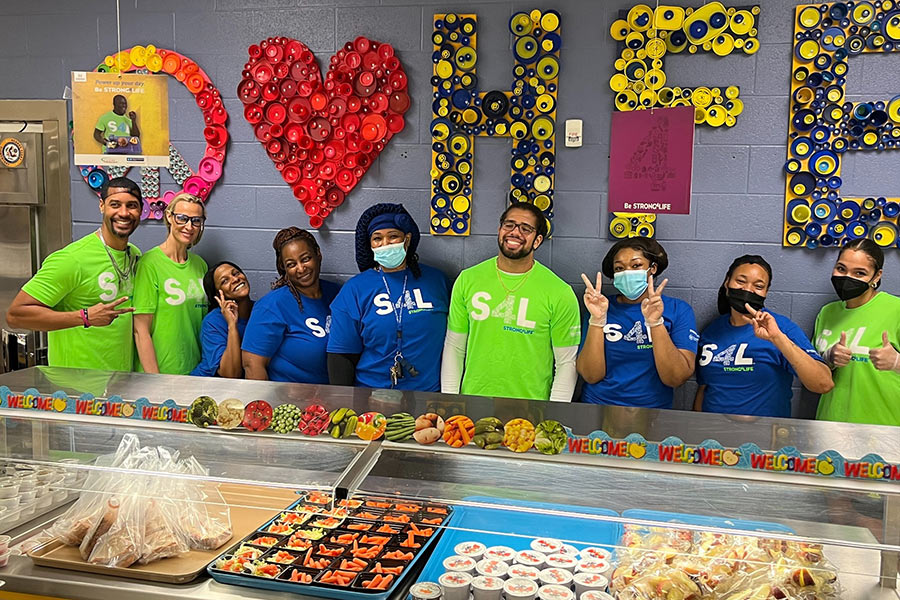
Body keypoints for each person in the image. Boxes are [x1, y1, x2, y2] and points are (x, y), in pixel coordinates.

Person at [441, 202, 580, 401]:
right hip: (473, 403)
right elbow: (454, 347)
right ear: (500, 230)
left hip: (532, 407)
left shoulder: (560, 292)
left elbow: (566, 363)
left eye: (526, 229)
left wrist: (554, 413)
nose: (515, 232)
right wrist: (451, 401)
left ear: (537, 240)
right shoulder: (467, 279)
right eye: (509, 225)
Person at [5, 177, 142, 371]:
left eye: (132, 206)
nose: (124, 213)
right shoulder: (72, 259)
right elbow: (15, 315)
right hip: (75, 382)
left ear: (141, 210)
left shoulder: (134, 254)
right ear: (102, 206)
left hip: (121, 379)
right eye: (115, 204)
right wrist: (84, 317)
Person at [328, 204, 449, 391]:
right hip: (372, 394)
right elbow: (341, 355)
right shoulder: (355, 289)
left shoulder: (437, 281)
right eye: (377, 238)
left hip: (428, 396)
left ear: (407, 239)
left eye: (393, 236)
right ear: (370, 244)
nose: (385, 243)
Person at [694, 255, 833, 417]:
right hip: (713, 430)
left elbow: (823, 384)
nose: (748, 290)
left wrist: (777, 338)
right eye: (740, 281)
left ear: (766, 292)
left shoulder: (782, 328)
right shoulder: (711, 331)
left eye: (758, 286)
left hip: (765, 430)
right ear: (727, 283)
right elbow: (704, 388)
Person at [577, 238, 698, 408]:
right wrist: (597, 320)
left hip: (653, 410)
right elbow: (590, 376)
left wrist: (655, 323)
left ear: (653, 268)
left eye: (636, 265)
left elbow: (676, 378)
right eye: (619, 268)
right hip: (598, 406)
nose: (627, 273)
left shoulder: (678, 310)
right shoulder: (600, 306)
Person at [814, 239, 900, 426]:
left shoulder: (896, 309)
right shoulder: (827, 312)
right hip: (830, 424)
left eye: (860, 273)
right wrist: (829, 358)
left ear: (876, 276)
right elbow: (813, 370)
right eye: (841, 269)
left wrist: (896, 362)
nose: (847, 277)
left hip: (884, 426)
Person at [242, 228, 339, 383]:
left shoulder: (337, 294)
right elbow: (253, 365)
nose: (300, 268)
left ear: (318, 254)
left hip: (337, 392)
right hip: (289, 395)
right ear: (284, 268)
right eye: (291, 264)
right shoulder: (271, 306)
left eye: (305, 259)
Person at [132, 193, 208, 374]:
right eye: (182, 218)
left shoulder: (200, 265)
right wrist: (155, 380)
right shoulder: (149, 264)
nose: (189, 226)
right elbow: (140, 330)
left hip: (195, 370)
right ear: (169, 216)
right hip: (161, 372)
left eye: (196, 221)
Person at [190, 262, 253, 378]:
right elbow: (231, 374)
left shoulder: (260, 310)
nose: (235, 279)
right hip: (207, 384)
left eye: (236, 273)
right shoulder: (212, 322)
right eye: (225, 281)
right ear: (219, 295)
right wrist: (232, 325)